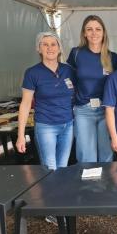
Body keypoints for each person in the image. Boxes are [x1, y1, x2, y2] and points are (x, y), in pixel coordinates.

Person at [16, 31, 75, 170]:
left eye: (54, 44)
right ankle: (50, 191)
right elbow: (25, 105)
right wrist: (21, 135)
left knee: (62, 167)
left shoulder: (68, 70)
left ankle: (59, 192)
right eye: (45, 45)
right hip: (46, 126)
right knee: (50, 169)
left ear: (59, 48)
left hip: (68, 125)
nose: (50, 48)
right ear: (39, 48)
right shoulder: (32, 73)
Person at [67, 15, 117, 162]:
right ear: (84, 33)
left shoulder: (113, 57)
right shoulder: (76, 53)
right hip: (83, 110)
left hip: (106, 111)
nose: (94, 33)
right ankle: (88, 185)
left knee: (106, 154)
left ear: (104, 33)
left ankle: (106, 184)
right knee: (86, 156)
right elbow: (68, 80)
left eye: (98, 29)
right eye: (89, 29)